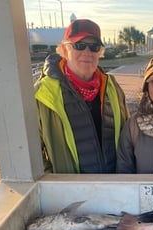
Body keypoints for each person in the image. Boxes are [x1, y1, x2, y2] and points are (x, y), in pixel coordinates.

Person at [34, 19, 129, 173]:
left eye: (94, 46)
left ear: (99, 53)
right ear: (64, 50)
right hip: (71, 194)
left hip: (113, 188)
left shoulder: (112, 87)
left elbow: (126, 136)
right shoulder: (43, 94)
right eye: (79, 45)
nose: (87, 52)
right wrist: (55, 181)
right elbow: (32, 153)